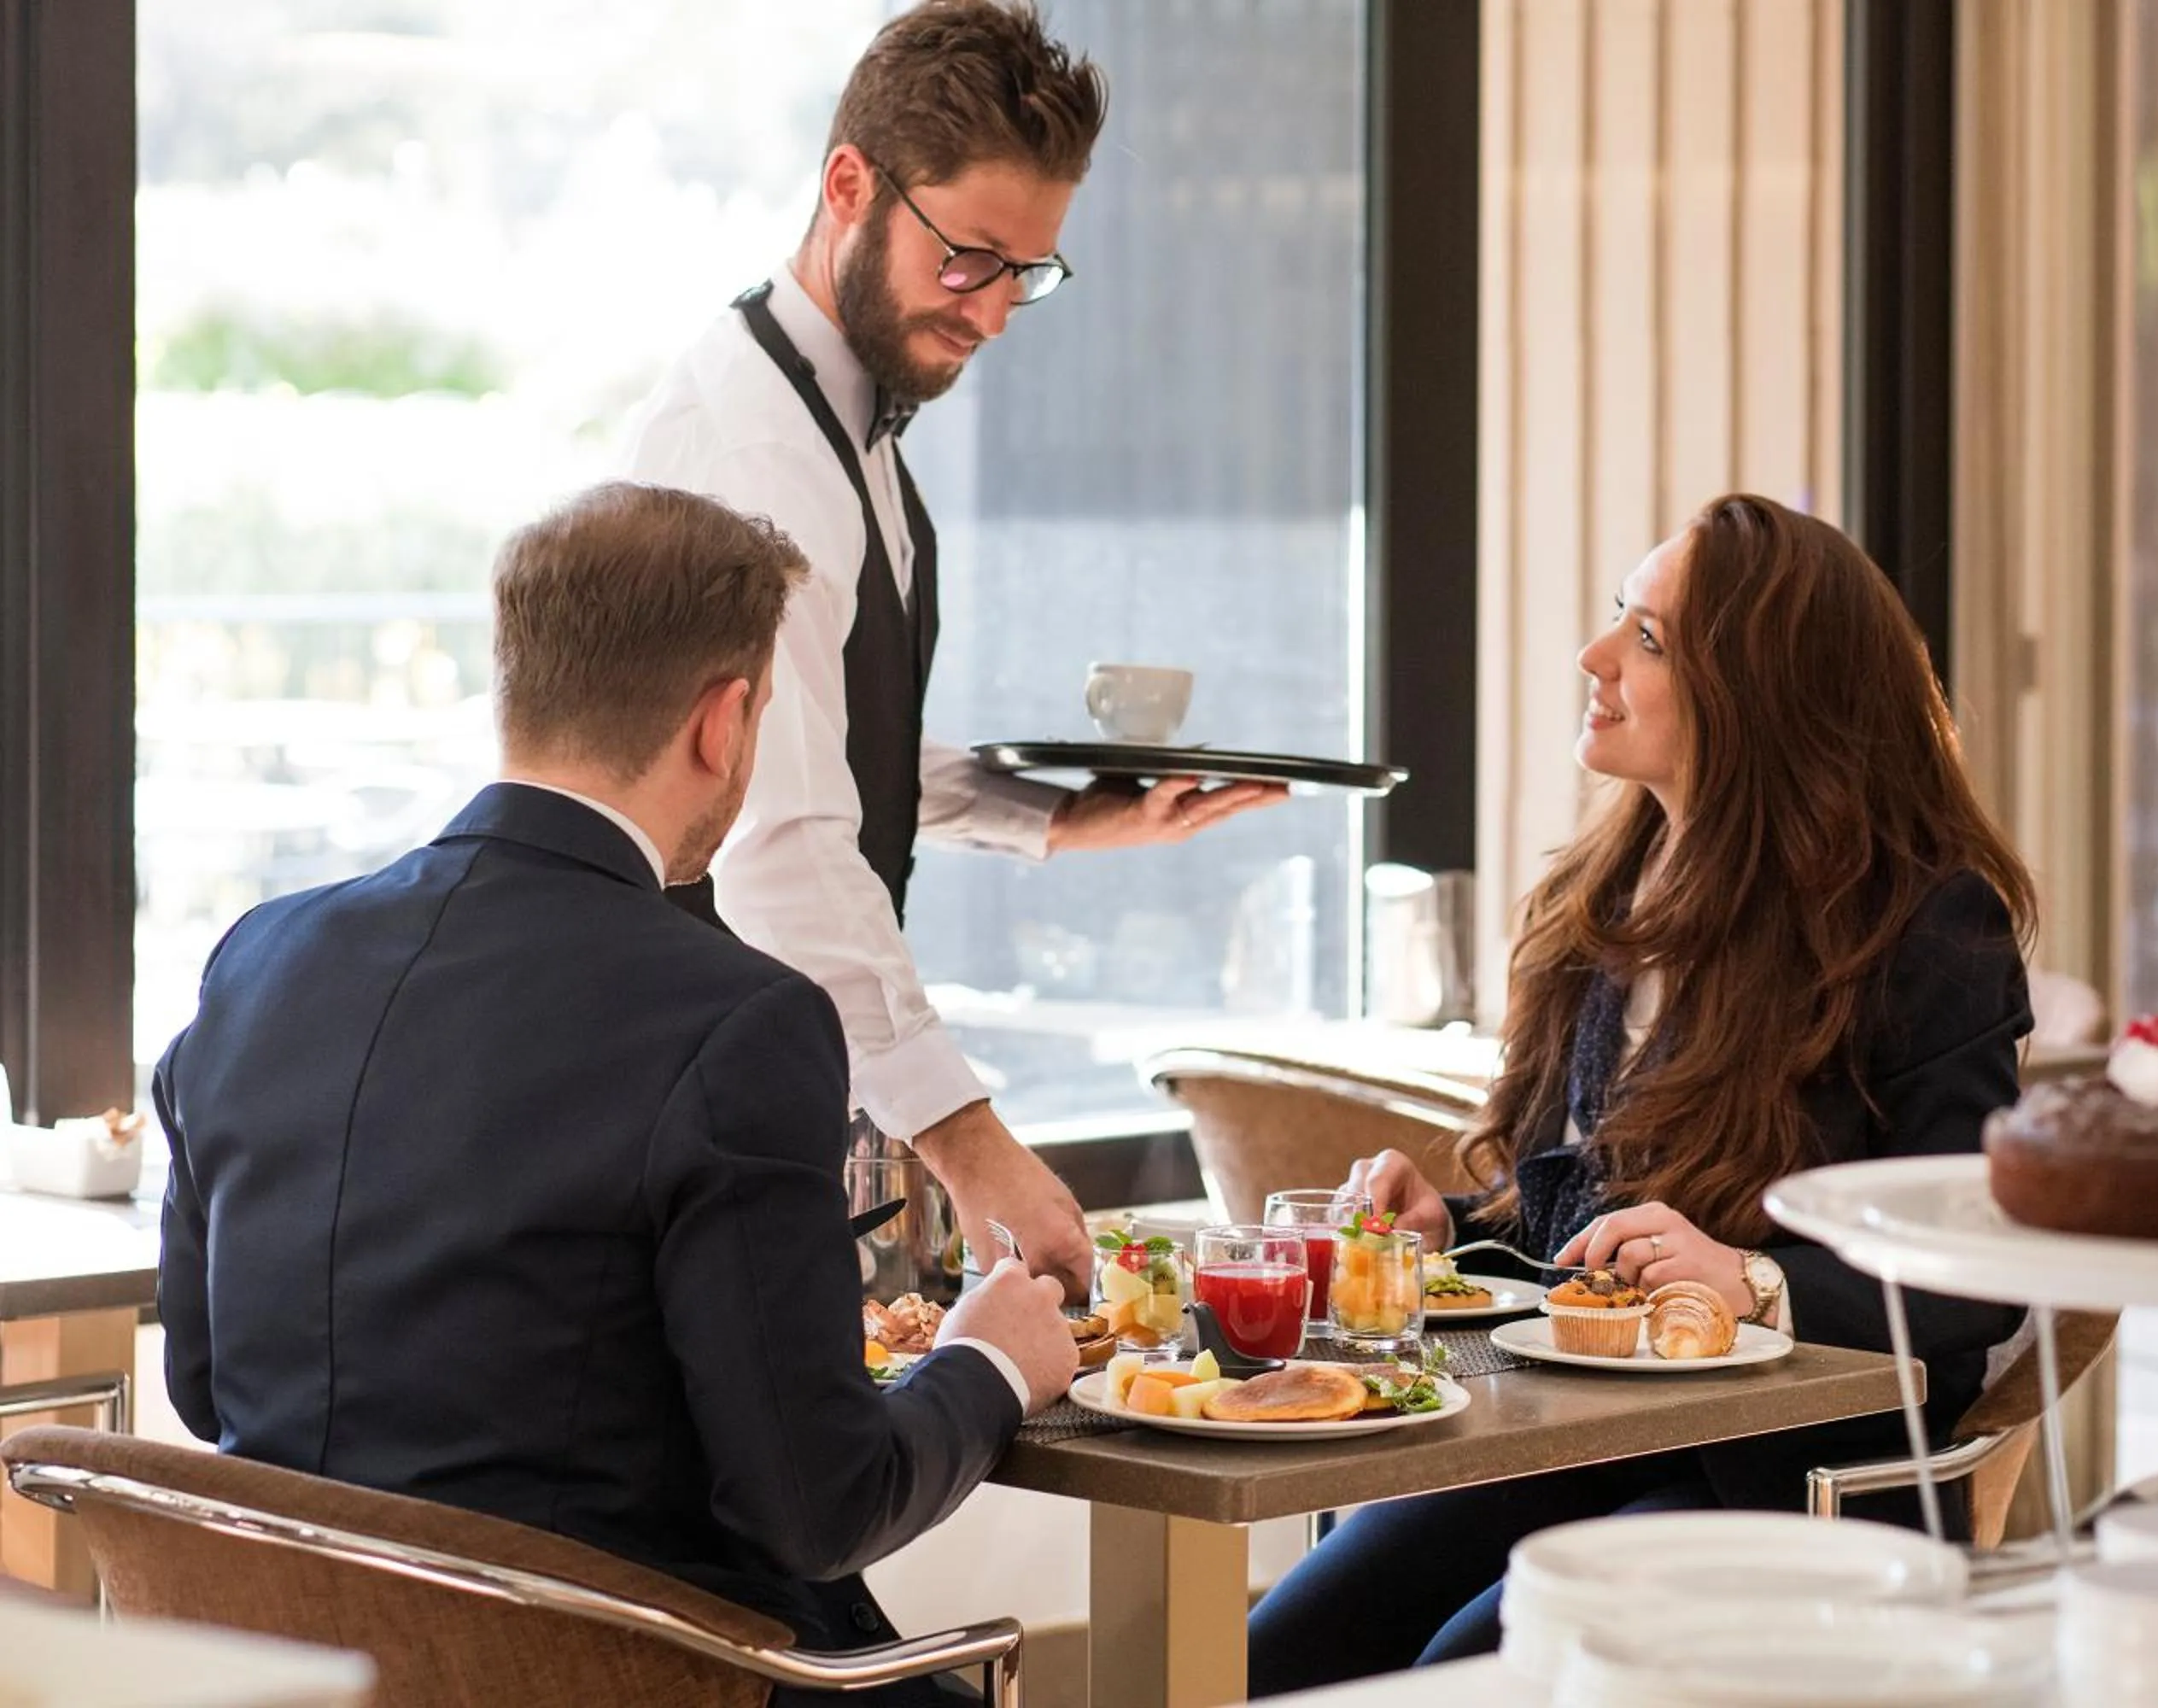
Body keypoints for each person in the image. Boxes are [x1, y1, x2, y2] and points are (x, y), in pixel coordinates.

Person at [153, 483, 1078, 1704]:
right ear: (725, 722)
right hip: (627, 1674)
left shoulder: (260, 959)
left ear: (519, 685)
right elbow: (817, 1505)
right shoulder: (742, 1022)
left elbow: (209, 1387)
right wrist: (992, 1365)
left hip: (310, 1670)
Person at [1246, 495, 2038, 1694]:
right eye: (1621, 614)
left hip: (1795, 1481)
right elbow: (1592, 1231)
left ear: (1766, 698)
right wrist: (1449, 1230)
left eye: (1652, 638)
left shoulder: (1926, 927)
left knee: (1474, 1671)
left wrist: (1755, 1284)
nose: (1596, 654)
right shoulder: (1606, 903)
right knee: (1284, 1653)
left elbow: (1964, 1287)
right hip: (1586, 1435)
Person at [619, 0, 1278, 1294]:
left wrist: (1059, 818)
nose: (993, 314)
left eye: (1028, 273)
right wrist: (972, 1144)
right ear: (849, 184)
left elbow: (825, 749)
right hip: (688, 1102)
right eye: (969, 257)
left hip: (768, 1083)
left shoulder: (845, 424)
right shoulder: (753, 450)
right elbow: (780, 842)